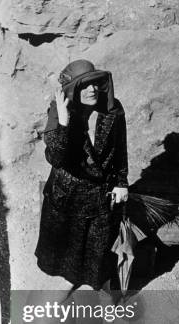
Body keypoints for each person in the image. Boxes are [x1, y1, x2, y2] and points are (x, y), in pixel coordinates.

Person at [35, 59, 128, 290]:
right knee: (69, 261)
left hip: (101, 196)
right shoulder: (59, 112)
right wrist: (65, 123)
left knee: (99, 257)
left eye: (95, 83)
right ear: (72, 90)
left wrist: (121, 182)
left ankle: (103, 295)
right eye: (84, 86)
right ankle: (60, 299)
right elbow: (56, 158)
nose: (92, 89)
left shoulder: (112, 110)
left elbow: (120, 149)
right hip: (68, 199)